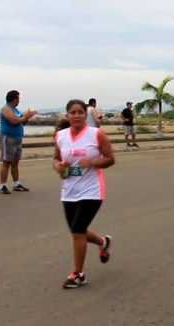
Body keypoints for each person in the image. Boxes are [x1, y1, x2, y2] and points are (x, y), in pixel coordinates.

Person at [53, 99, 115, 289]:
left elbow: (110, 159)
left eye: (80, 112)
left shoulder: (96, 135)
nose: (77, 115)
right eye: (73, 112)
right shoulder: (60, 136)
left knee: (78, 231)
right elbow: (56, 159)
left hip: (91, 190)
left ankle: (78, 274)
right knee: (76, 230)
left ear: (85, 114)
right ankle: (103, 242)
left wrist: (94, 162)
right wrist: (59, 167)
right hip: (69, 190)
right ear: (67, 115)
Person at [0, 90, 37, 194]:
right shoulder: (6, 108)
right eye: (18, 98)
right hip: (8, 137)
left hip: (17, 138)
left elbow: (21, 121)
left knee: (15, 162)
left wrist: (27, 117)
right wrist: (25, 117)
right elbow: (14, 121)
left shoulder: (15, 110)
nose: (19, 100)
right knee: (6, 162)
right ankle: (3, 186)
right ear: (14, 99)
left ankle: (16, 184)